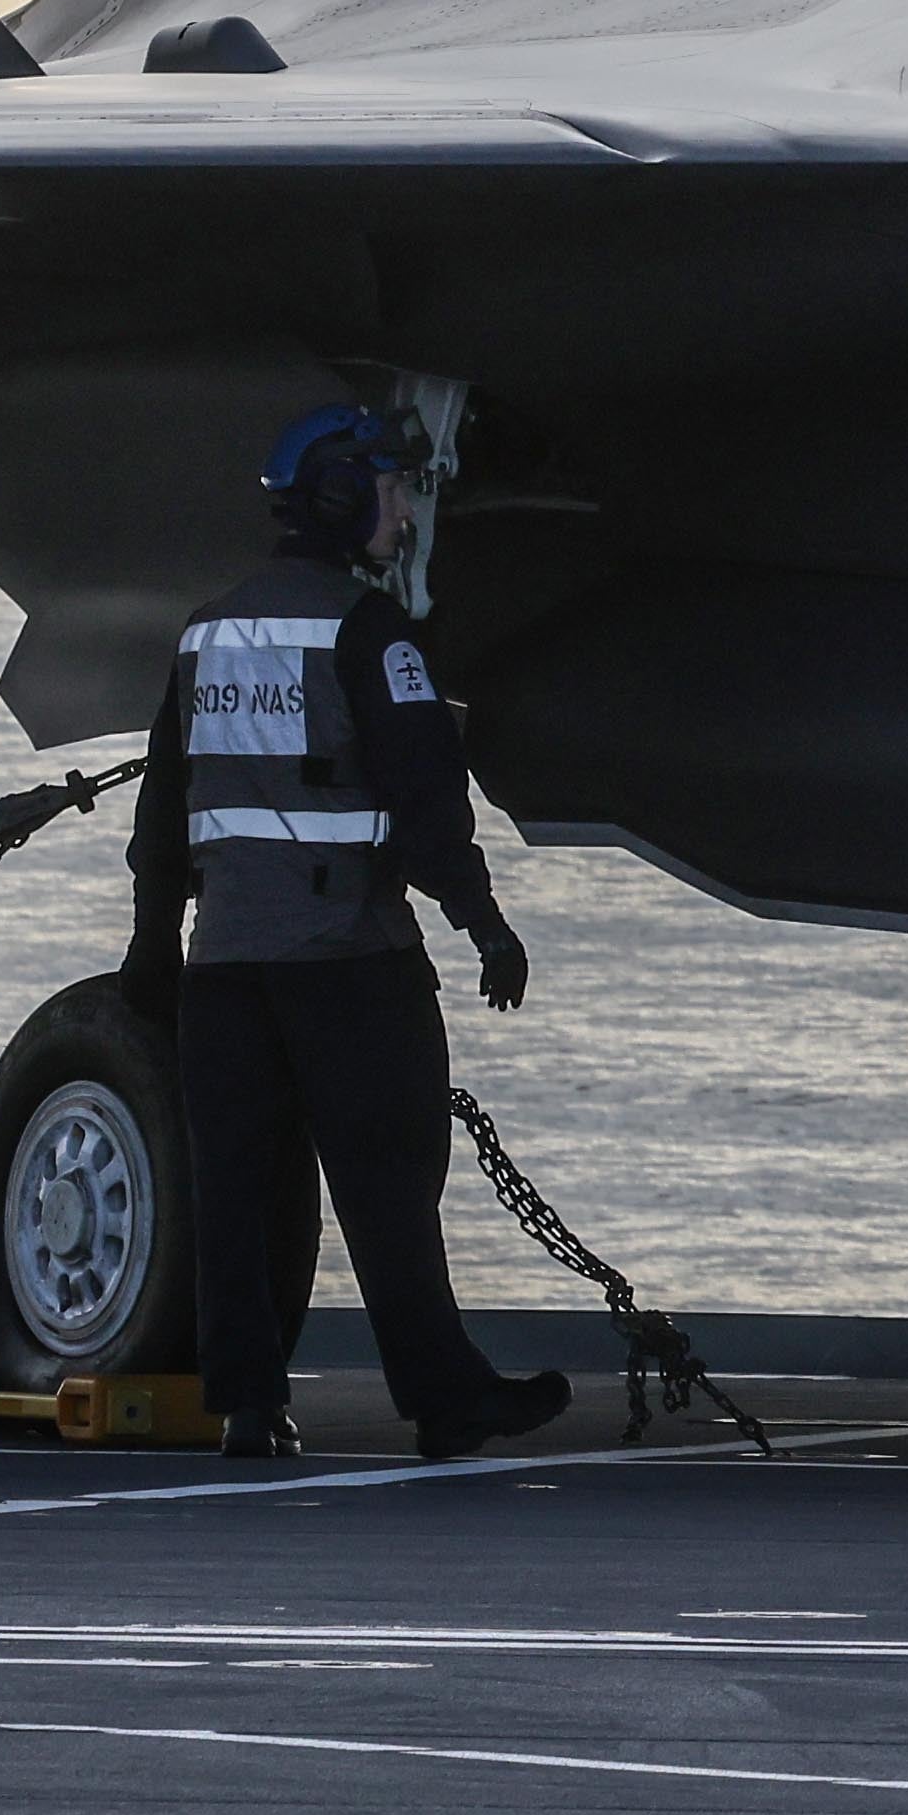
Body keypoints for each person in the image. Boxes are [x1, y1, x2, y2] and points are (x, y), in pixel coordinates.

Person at [126, 403, 561, 1467]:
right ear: (340, 496)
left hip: (225, 967)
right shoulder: (370, 636)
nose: (404, 506)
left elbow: (163, 809)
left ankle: (246, 1405)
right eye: (392, 486)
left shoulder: (209, 632)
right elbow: (425, 799)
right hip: (347, 963)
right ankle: (444, 1397)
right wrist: (484, 924)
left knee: (234, 1191)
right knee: (390, 1184)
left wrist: (150, 947)